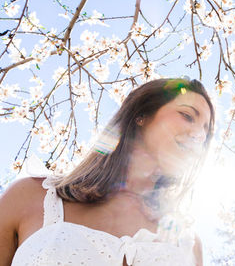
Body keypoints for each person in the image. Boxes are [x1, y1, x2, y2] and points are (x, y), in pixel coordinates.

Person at [0, 78, 215, 266]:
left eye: (206, 130)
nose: (199, 135)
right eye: (187, 116)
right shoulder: (30, 197)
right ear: (142, 115)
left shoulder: (189, 244)